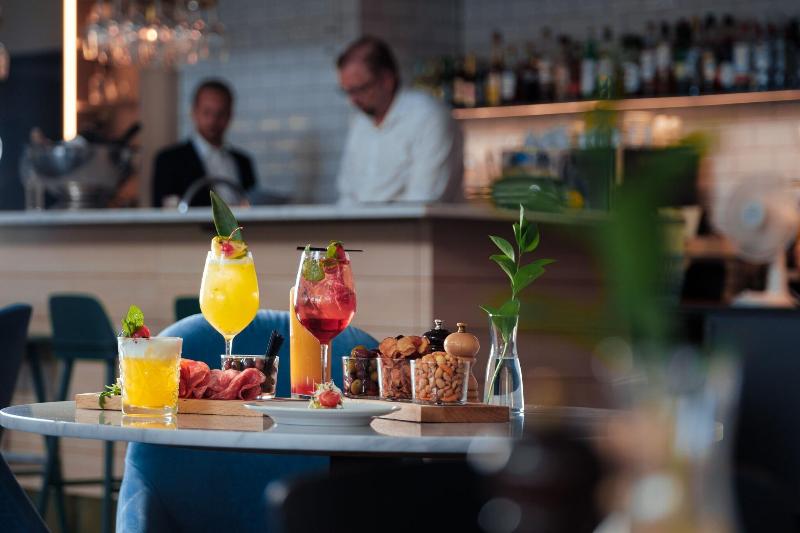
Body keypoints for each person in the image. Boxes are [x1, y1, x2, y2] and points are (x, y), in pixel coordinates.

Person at [335, 36, 463, 204]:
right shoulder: (360, 123)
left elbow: (425, 200)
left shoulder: (428, 117)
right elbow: (347, 194)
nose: (352, 101)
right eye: (347, 91)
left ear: (387, 80)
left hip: (416, 222)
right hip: (363, 222)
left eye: (360, 89)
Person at [152, 79, 256, 208]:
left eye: (221, 113)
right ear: (194, 112)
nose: (213, 120)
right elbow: (164, 211)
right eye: (206, 112)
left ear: (230, 115)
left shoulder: (243, 162)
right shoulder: (169, 160)